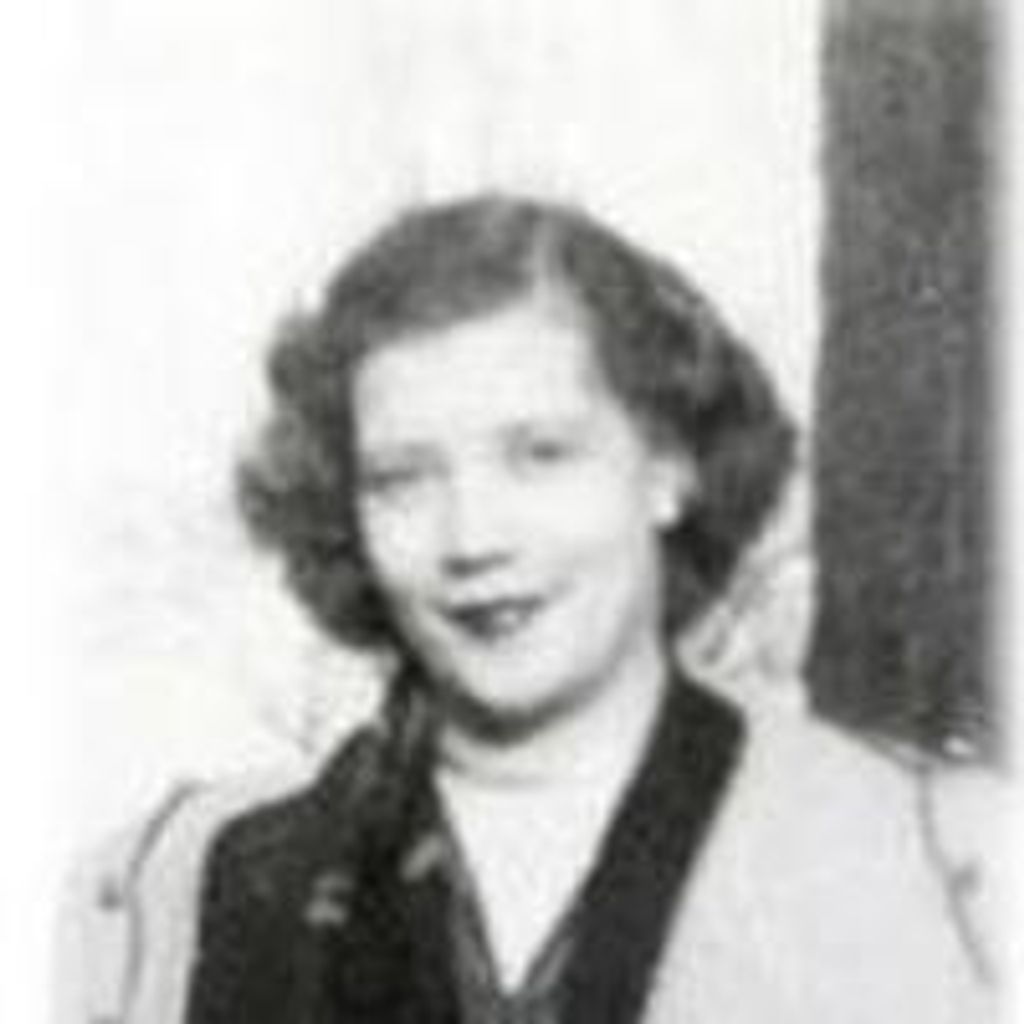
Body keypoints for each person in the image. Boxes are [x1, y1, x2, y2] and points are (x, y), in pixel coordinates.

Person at [76, 195, 994, 1024]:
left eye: (540, 455)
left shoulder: (930, 861)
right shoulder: (194, 887)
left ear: (668, 465)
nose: (473, 537)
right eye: (402, 479)